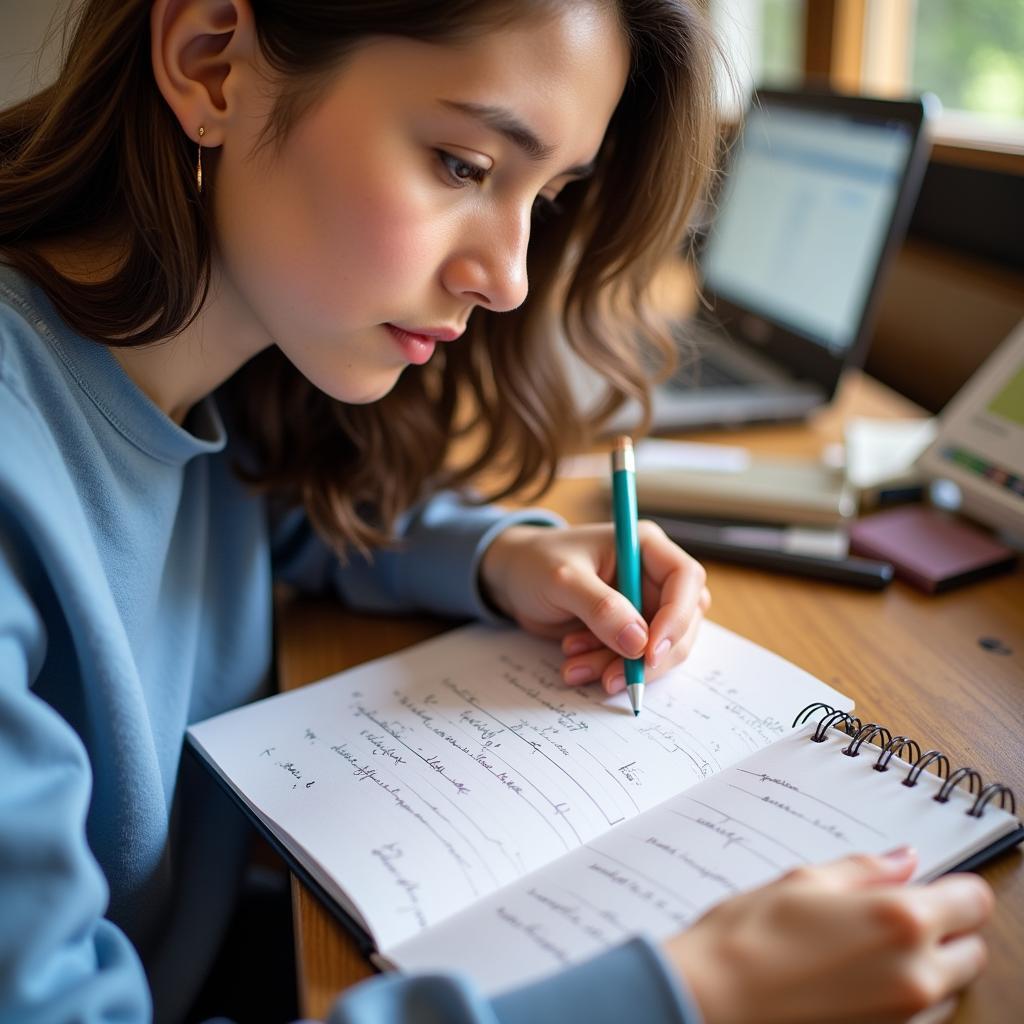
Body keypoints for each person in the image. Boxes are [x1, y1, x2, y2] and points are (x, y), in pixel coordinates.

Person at [0, 1, 995, 1022]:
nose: (510, 279)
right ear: (211, 62)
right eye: (463, 165)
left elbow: (261, 513)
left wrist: (506, 555)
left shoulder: (197, 377)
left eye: (550, 195)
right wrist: (692, 995)